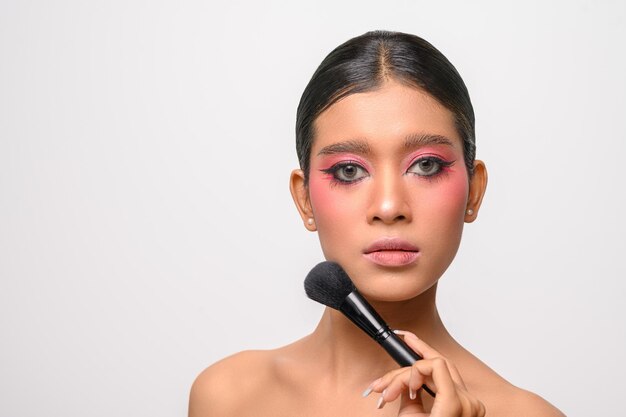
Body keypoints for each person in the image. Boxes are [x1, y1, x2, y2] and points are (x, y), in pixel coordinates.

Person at [188, 30, 565, 417]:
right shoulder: (229, 397)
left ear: (474, 191)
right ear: (305, 201)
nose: (388, 207)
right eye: (349, 170)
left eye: (426, 165)